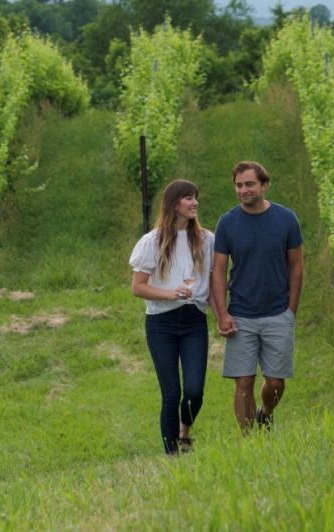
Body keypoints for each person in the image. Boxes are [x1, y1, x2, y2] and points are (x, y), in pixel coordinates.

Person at [211, 161, 303, 433]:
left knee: (275, 383)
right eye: (239, 185)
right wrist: (222, 314)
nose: (243, 190)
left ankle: (267, 412)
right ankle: (248, 439)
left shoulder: (286, 219)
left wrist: (291, 310)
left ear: (264, 186)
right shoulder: (227, 223)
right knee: (244, 381)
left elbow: (296, 267)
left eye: (249, 184)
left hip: (278, 312)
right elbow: (218, 270)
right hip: (241, 314)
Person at [129, 179, 215, 455]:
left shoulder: (207, 240)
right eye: (188, 198)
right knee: (171, 394)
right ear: (174, 203)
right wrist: (169, 294)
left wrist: (223, 314)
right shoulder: (151, 242)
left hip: (194, 322)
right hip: (161, 324)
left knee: (194, 391)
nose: (195, 203)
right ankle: (172, 454)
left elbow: (212, 283)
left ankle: (184, 431)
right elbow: (137, 287)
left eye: (196, 198)